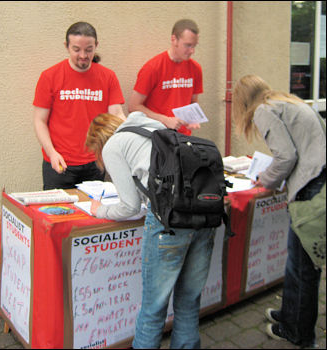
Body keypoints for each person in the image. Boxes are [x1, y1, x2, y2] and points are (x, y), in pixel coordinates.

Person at [86, 111, 216, 349]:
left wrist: (99, 211)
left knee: (153, 309)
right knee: (188, 303)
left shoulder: (113, 146)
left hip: (169, 223)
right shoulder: (155, 129)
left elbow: (130, 206)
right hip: (205, 216)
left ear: (98, 140)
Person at [232, 74, 326, 348]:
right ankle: (288, 315)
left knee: (303, 268)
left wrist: (266, 180)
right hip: (317, 183)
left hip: (310, 188)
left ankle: (299, 333)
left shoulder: (263, 110)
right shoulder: (288, 102)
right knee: (296, 262)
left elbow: (286, 156)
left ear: (243, 101)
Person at [33, 22, 125, 190]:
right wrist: (51, 152)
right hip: (59, 163)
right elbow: (40, 121)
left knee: (93, 214)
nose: (83, 55)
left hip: (95, 162)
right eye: (76, 49)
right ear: (67, 46)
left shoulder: (108, 77)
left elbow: (117, 114)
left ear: (96, 46)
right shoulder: (50, 76)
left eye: (89, 49)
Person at [129, 19, 203, 136]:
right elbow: (133, 106)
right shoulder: (153, 68)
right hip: (156, 135)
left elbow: (193, 102)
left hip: (183, 137)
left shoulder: (195, 69)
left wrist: (193, 118)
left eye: (194, 46)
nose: (192, 51)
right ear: (174, 39)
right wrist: (165, 120)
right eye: (188, 45)